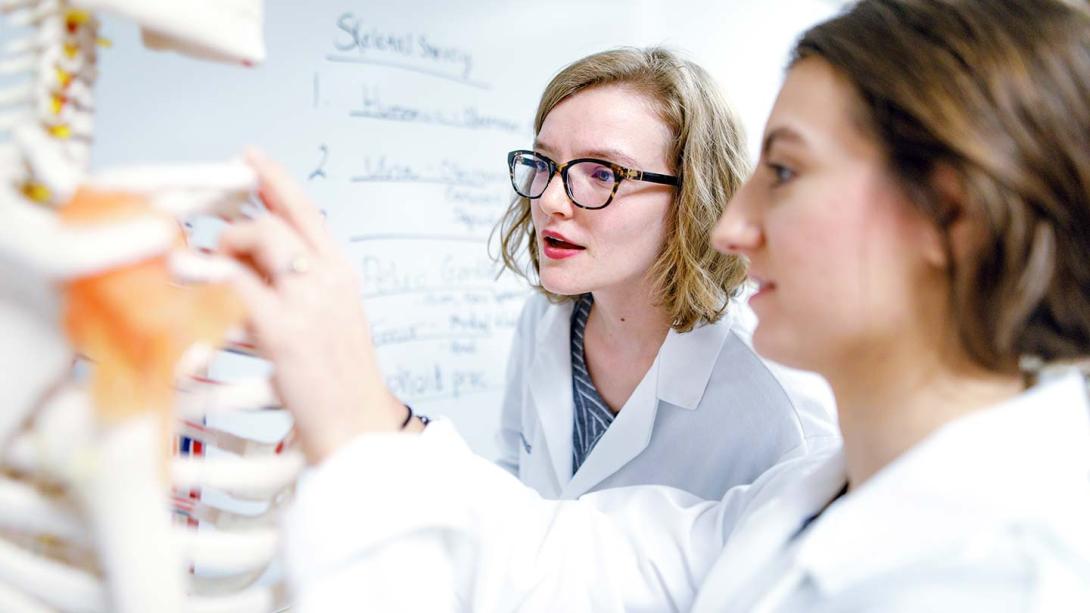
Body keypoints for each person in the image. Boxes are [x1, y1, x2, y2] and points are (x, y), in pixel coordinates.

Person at [217, 0, 1090, 610]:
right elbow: (566, 556)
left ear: (949, 216)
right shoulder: (801, 498)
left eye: (785, 172)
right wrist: (363, 410)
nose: (735, 226)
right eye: (545, 165)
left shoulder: (1021, 577)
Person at [494, 47, 836, 499]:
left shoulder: (779, 404)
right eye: (543, 164)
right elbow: (512, 485)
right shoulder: (543, 321)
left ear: (691, 198)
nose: (550, 200)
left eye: (602, 174)